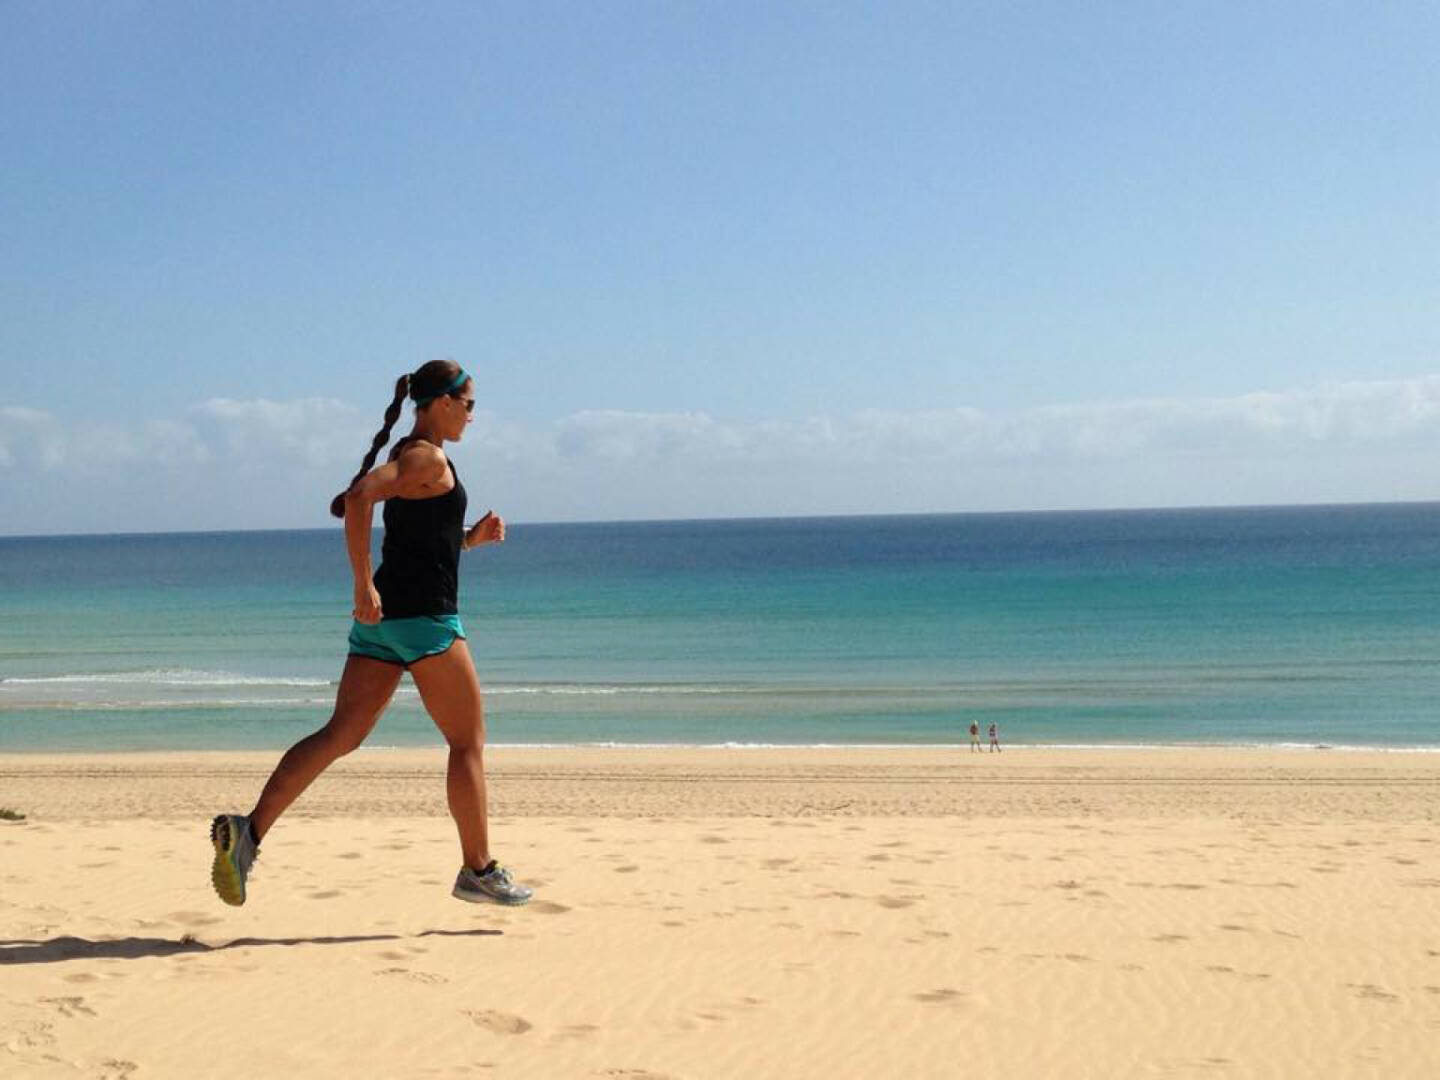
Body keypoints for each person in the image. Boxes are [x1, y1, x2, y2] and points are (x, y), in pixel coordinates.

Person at [209, 360, 532, 908]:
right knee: (467, 744)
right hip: (426, 624)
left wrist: (469, 542)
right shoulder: (424, 456)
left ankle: (250, 832)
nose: (474, 415)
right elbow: (359, 499)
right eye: (470, 404)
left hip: (384, 627)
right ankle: (478, 869)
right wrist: (362, 585)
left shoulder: (411, 456)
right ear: (443, 402)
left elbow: (417, 545)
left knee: (340, 735)